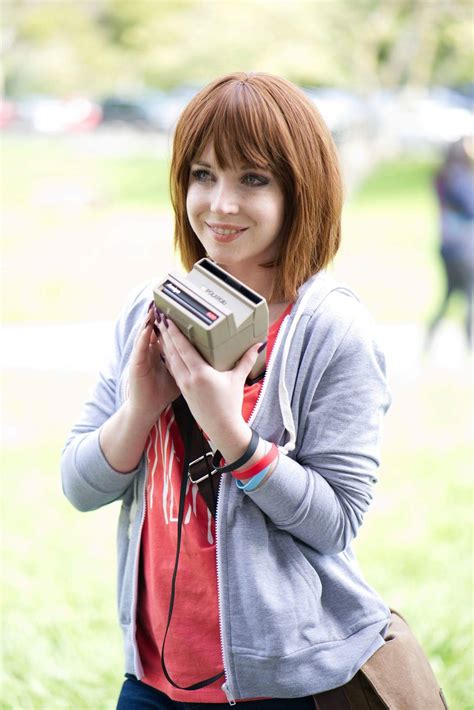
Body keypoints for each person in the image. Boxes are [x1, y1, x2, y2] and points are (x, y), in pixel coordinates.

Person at [61, 73, 435, 709]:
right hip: (153, 681)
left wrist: (231, 434)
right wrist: (140, 409)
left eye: (252, 180)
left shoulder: (330, 330)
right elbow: (78, 485)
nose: (220, 204)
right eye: (203, 175)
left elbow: (337, 521)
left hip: (281, 686)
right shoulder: (147, 311)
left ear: (299, 190)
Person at [426, 137, 474, 350]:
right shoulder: (459, 178)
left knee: (449, 295)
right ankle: (468, 343)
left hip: (447, 245)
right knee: (468, 295)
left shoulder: (442, 177)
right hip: (463, 249)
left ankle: (430, 336)